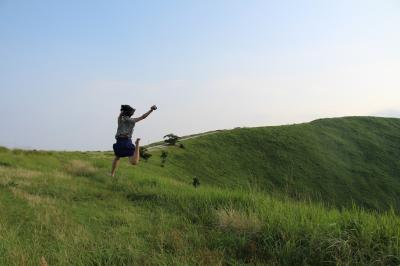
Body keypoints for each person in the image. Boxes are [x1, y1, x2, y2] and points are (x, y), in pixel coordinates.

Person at [111, 104, 157, 177]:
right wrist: (151, 110)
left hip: (122, 141)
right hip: (125, 141)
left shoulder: (122, 120)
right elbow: (143, 117)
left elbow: (121, 115)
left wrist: (122, 111)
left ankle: (112, 174)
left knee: (117, 158)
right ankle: (137, 144)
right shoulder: (132, 120)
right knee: (131, 161)